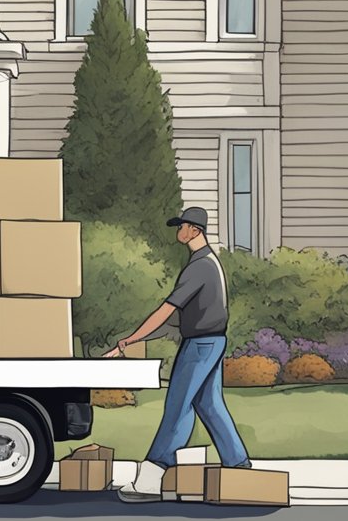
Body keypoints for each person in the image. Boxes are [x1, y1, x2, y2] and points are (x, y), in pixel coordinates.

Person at [103, 206, 251, 502]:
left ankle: (149, 480)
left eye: (181, 226)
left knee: (177, 406)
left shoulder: (200, 267)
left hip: (200, 345)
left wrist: (129, 340)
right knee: (209, 406)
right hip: (212, 342)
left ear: (195, 230)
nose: (178, 231)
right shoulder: (209, 263)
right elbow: (176, 318)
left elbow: (166, 310)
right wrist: (132, 341)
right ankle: (239, 466)